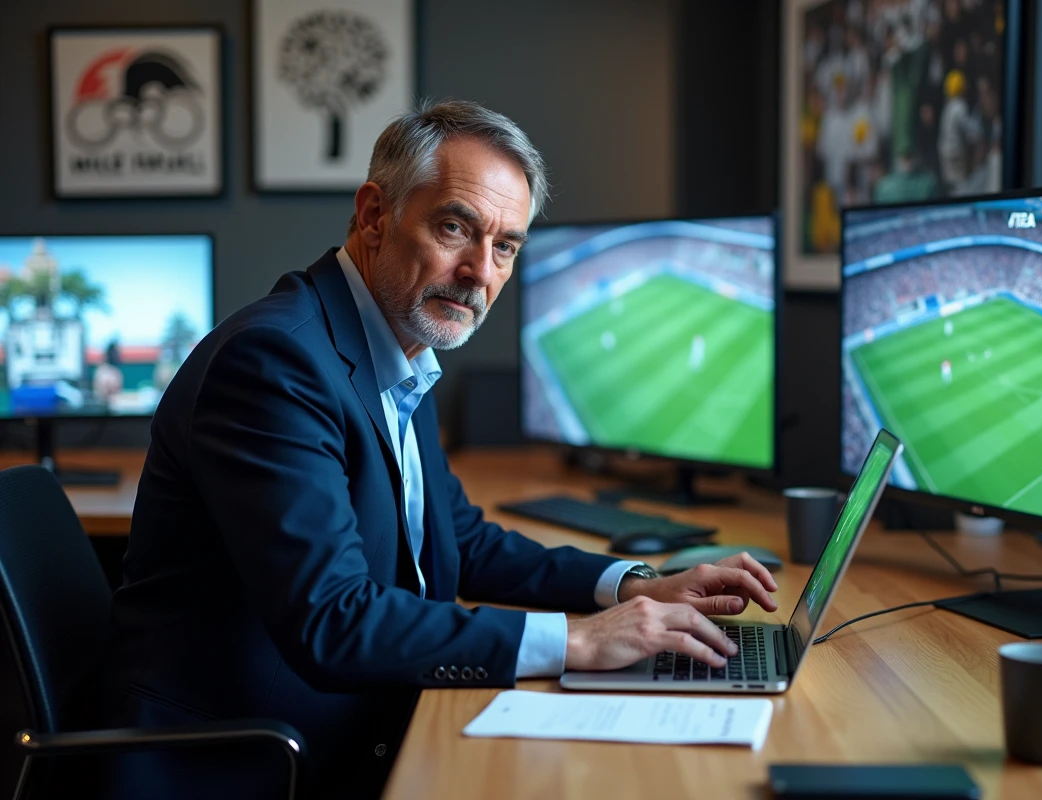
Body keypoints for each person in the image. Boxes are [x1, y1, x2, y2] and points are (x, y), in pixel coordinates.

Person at [102, 100, 778, 800]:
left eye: (506, 246)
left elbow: (459, 540)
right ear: (373, 216)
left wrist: (634, 585)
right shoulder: (276, 361)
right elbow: (333, 621)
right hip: (244, 757)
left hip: (342, 720)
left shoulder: (396, 347)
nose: (479, 271)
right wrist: (577, 642)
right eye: (455, 227)